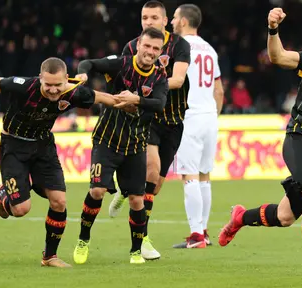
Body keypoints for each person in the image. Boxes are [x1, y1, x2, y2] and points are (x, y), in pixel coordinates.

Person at [218, 8, 302, 287]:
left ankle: (240, 217)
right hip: (301, 139)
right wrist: (273, 29)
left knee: (285, 216)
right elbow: (278, 56)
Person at [0, 57, 125, 268]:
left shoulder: (73, 92)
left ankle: (50, 256)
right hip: (14, 145)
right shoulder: (23, 86)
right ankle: (5, 194)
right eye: (48, 84)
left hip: (43, 147)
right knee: (21, 209)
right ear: (40, 79)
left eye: (58, 85)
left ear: (67, 79)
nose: (54, 90)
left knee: (59, 201)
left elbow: (104, 98)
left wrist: (134, 104)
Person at [72, 27, 168, 265]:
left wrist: (136, 99)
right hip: (107, 140)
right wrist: (82, 75)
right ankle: (83, 240)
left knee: (138, 200)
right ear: (138, 45)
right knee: (97, 191)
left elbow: (159, 104)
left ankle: (135, 251)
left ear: (160, 52)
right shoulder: (121, 64)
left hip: (136, 145)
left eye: (156, 48)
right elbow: (88, 63)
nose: (150, 52)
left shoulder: (159, 77)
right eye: (147, 46)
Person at [108, 0, 191, 260]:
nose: (149, 22)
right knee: (152, 169)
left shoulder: (180, 45)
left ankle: (127, 189)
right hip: (147, 116)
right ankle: (142, 239)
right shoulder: (132, 47)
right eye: (145, 18)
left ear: (165, 21)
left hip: (173, 119)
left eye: (154, 17)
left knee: (153, 186)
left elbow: (178, 79)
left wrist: (154, 82)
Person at [168, 4, 224, 248]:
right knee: (204, 175)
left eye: (173, 18)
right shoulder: (210, 49)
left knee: (188, 175)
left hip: (189, 116)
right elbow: (219, 90)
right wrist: (213, 115)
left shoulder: (179, 47)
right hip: (209, 116)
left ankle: (196, 236)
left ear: (182, 21)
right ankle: (203, 231)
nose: (171, 22)